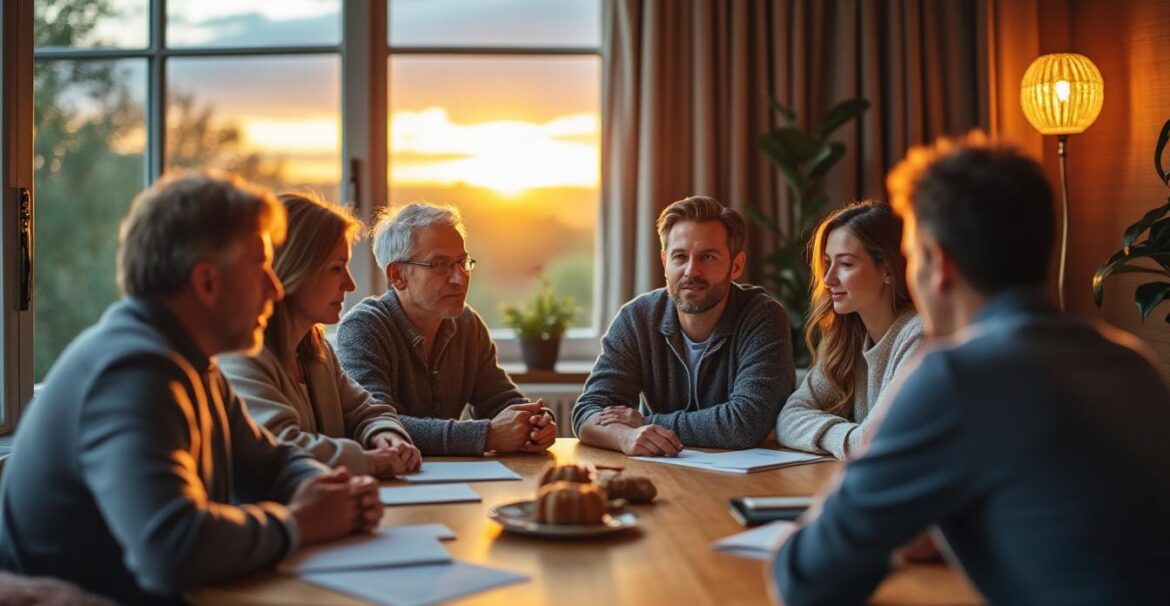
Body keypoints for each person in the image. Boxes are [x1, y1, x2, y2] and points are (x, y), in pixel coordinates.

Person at [771, 134, 1170, 605]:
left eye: (913, 254)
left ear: (938, 263)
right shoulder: (1131, 361)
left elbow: (805, 578)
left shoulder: (956, 376)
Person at [0, 172, 383, 605]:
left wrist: (331, 492)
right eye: (260, 266)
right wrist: (298, 523)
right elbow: (171, 549)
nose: (275, 289)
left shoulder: (196, 363)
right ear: (206, 282)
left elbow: (270, 462)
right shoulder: (133, 372)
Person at [572, 195, 795, 456]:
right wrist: (624, 436)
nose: (691, 271)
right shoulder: (637, 318)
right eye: (680, 257)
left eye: (708, 257)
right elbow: (588, 411)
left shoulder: (762, 316)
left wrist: (647, 422)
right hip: (665, 472)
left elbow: (747, 423)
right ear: (665, 262)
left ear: (736, 266)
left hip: (746, 479)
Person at [221, 193, 421, 478]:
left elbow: (367, 411)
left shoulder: (316, 351)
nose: (351, 284)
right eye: (336, 268)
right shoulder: (240, 356)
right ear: (294, 270)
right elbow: (280, 445)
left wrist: (387, 436)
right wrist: (368, 462)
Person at [336, 203, 555, 456]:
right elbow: (377, 424)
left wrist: (536, 422)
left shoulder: (467, 324)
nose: (459, 278)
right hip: (389, 484)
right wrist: (487, 436)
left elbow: (500, 399)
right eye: (440, 264)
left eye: (462, 262)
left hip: (452, 477)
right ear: (397, 275)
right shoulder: (363, 328)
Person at [775, 200, 923, 459]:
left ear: (888, 270)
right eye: (827, 263)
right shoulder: (848, 337)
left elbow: (876, 440)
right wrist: (850, 438)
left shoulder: (919, 337)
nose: (828, 279)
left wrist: (848, 438)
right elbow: (788, 418)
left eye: (845, 264)